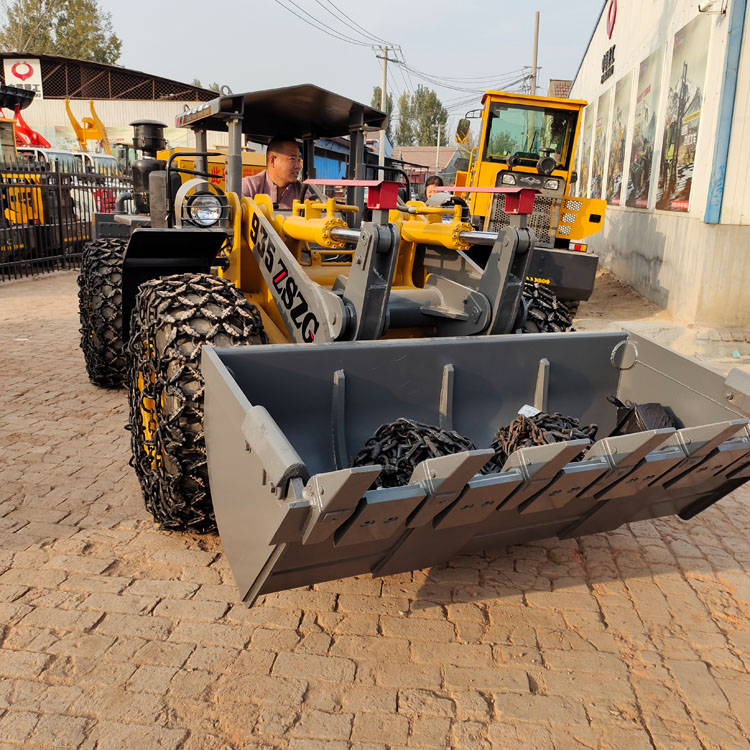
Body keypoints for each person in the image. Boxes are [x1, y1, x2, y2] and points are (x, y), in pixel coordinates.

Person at [242, 137, 303, 209]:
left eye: (298, 160)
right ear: (273, 161)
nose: (298, 166)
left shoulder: (302, 192)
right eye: (292, 159)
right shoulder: (249, 187)